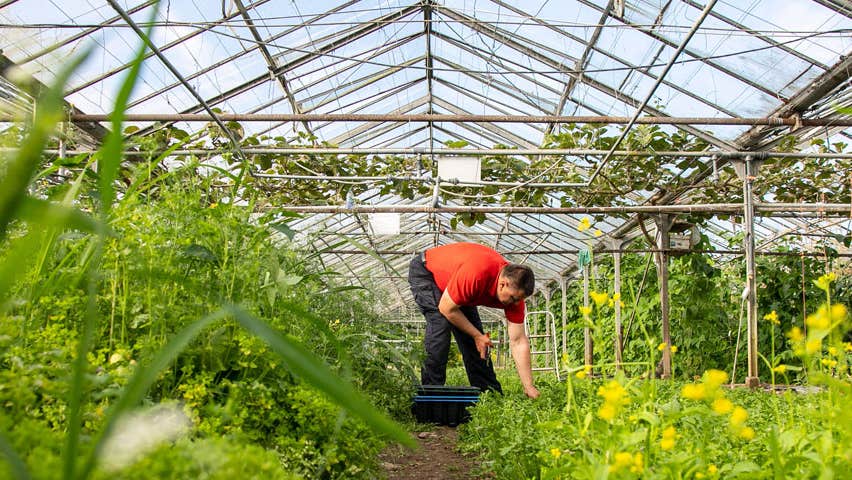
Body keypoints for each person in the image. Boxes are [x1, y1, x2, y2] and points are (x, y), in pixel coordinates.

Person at [408, 242, 540, 399]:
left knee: (478, 341)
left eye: (519, 299)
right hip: (427, 273)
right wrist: (477, 335)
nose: (516, 303)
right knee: (440, 325)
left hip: (457, 286)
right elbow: (446, 308)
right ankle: (430, 395)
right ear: (503, 284)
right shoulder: (478, 273)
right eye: (513, 298)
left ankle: (488, 395)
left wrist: (529, 386)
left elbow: (518, 341)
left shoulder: (515, 297)